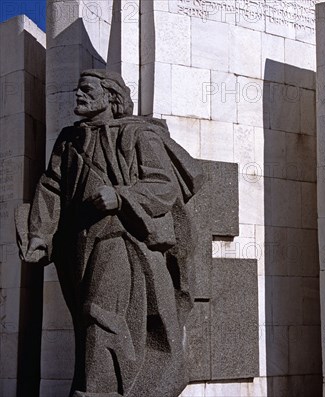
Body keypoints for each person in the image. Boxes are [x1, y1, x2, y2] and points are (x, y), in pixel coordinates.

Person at [19, 70, 202, 397]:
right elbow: (51, 187)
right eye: (77, 89)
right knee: (89, 320)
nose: (78, 95)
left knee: (100, 314)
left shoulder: (138, 135)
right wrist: (40, 234)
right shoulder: (69, 139)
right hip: (78, 245)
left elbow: (163, 186)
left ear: (111, 97)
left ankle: (98, 392)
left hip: (120, 240)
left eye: (87, 90)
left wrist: (120, 197)